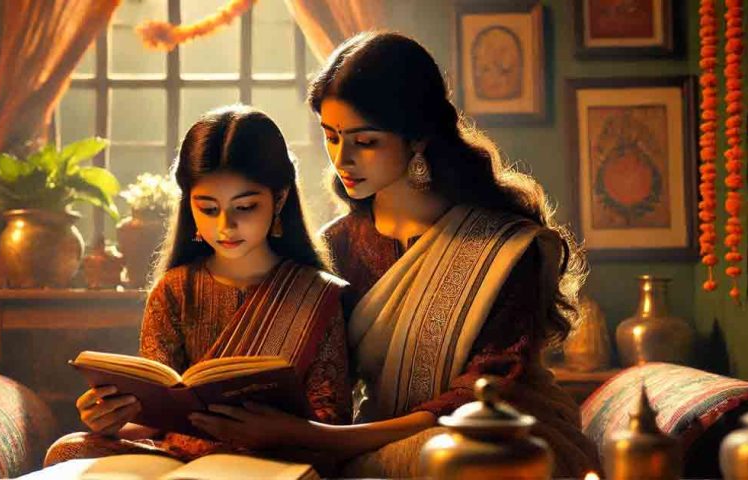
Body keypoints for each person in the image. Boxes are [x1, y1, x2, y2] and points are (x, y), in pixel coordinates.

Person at [187, 32, 601, 478]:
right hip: (371, 438)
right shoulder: (338, 246)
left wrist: (317, 438)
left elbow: (487, 391)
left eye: (365, 142)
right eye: (330, 137)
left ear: (418, 138)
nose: (342, 159)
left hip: (502, 443)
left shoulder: (504, 248)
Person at [44, 105, 352, 469]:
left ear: (279, 199)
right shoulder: (175, 290)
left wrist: (276, 431)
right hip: (178, 460)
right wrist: (110, 420)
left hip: (276, 459)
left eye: (246, 207)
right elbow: (157, 415)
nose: (226, 226)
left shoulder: (315, 294)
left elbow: (331, 420)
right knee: (69, 449)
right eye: (207, 209)